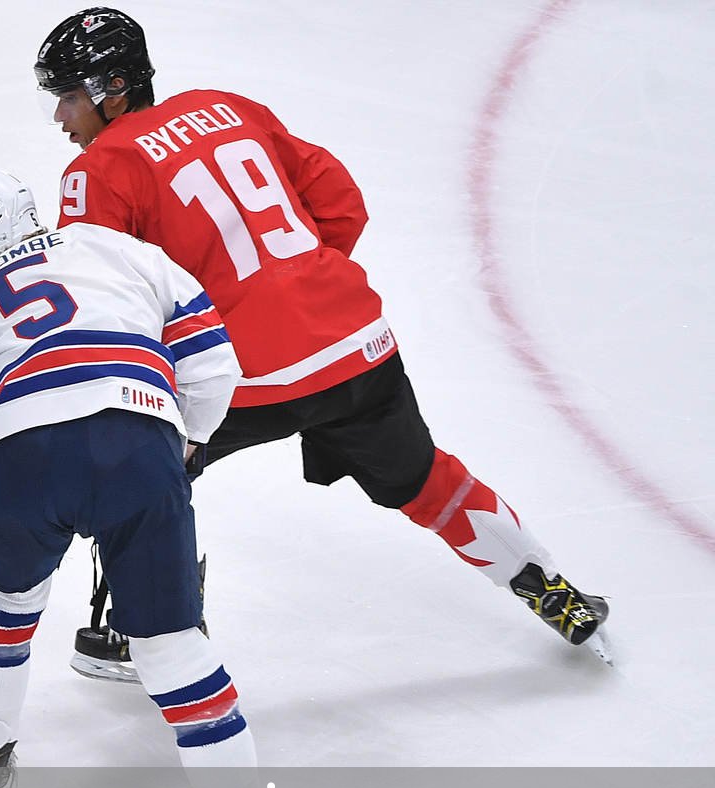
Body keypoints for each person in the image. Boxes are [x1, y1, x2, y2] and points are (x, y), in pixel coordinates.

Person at [34, 8, 609, 678]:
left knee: (127, 471)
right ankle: (551, 590)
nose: (60, 118)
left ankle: (156, 634)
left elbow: (94, 307)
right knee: (425, 479)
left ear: (115, 86)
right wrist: (294, 290)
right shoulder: (228, 107)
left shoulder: (100, 169)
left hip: (238, 379)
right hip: (354, 345)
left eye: (70, 97)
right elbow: (341, 205)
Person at [0, 170, 283, 788]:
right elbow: (213, 364)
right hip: (138, 437)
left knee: (1, 613)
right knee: (173, 651)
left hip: (20, 456)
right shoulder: (119, 249)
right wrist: (181, 448)